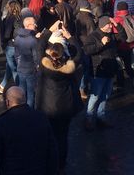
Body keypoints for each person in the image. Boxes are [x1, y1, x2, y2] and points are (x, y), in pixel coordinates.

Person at [0, 86, 58, 175]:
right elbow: (52, 149)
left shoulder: (2, 122)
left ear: (7, 102)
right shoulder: (41, 117)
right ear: (25, 99)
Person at [36, 30, 83, 172]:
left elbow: (39, 46)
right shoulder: (70, 68)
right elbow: (79, 54)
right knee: (62, 137)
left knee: (47, 135)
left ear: (50, 54)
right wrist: (71, 36)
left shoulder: (44, 66)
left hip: (47, 107)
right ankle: (61, 163)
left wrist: (49, 30)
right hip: (65, 107)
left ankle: (47, 160)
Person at [83, 16, 118, 130]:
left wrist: (117, 24)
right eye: (109, 24)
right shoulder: (92, 36)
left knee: (105, 95)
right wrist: (101, 44)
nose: (111, 26)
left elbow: (123, 37)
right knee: (95, 96)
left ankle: (100, 117)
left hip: (110, 69)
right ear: (103, 25)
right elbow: (87, 50)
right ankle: (88, 119)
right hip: (98, 70)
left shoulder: (111, 35)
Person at [0, 0, 21, 94]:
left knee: (13, 68)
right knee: (9, 66)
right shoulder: (21, 17)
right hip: (19, 45)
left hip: (11, 46)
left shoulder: (11, 18)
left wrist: (3, 41)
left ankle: (19, 90)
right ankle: (2, 85)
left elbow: (7, 33)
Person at [14, 16, 41, 107]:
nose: (36, 25)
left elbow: (16, 54)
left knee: (22, 92)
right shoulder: (33, 40)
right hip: (30, 70)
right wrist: (37, 67)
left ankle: (21, 109)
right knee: (30, 94)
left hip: (21, 68)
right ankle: (29, 112)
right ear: (29, 25)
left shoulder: (17, 38)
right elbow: (36, 57)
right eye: (34, 24)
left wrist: (19, 63)